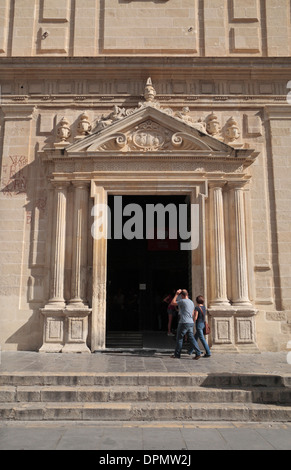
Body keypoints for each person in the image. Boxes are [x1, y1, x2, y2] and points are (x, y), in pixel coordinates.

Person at [170, 289, 202, 359]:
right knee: (191, 338)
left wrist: (176, 294)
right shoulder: (191, 302)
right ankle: (198, 352)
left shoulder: (182, 301)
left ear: (182, 295)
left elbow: (172, 303)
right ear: (187, 294)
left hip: (183, 322)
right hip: (190, 322)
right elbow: (193, 313)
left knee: (179, 338)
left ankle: (177, 354)